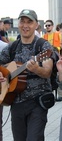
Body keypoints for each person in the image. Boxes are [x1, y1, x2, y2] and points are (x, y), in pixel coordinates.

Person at [0, 9, 53, 141]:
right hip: (16, 103)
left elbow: (47, 72)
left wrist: (36, 70)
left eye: (29, 22)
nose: (25, 25)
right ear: (18, 24)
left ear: (36, 25)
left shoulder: (43, 46)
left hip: (37, 103)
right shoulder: (12, 47)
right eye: (22, 21)